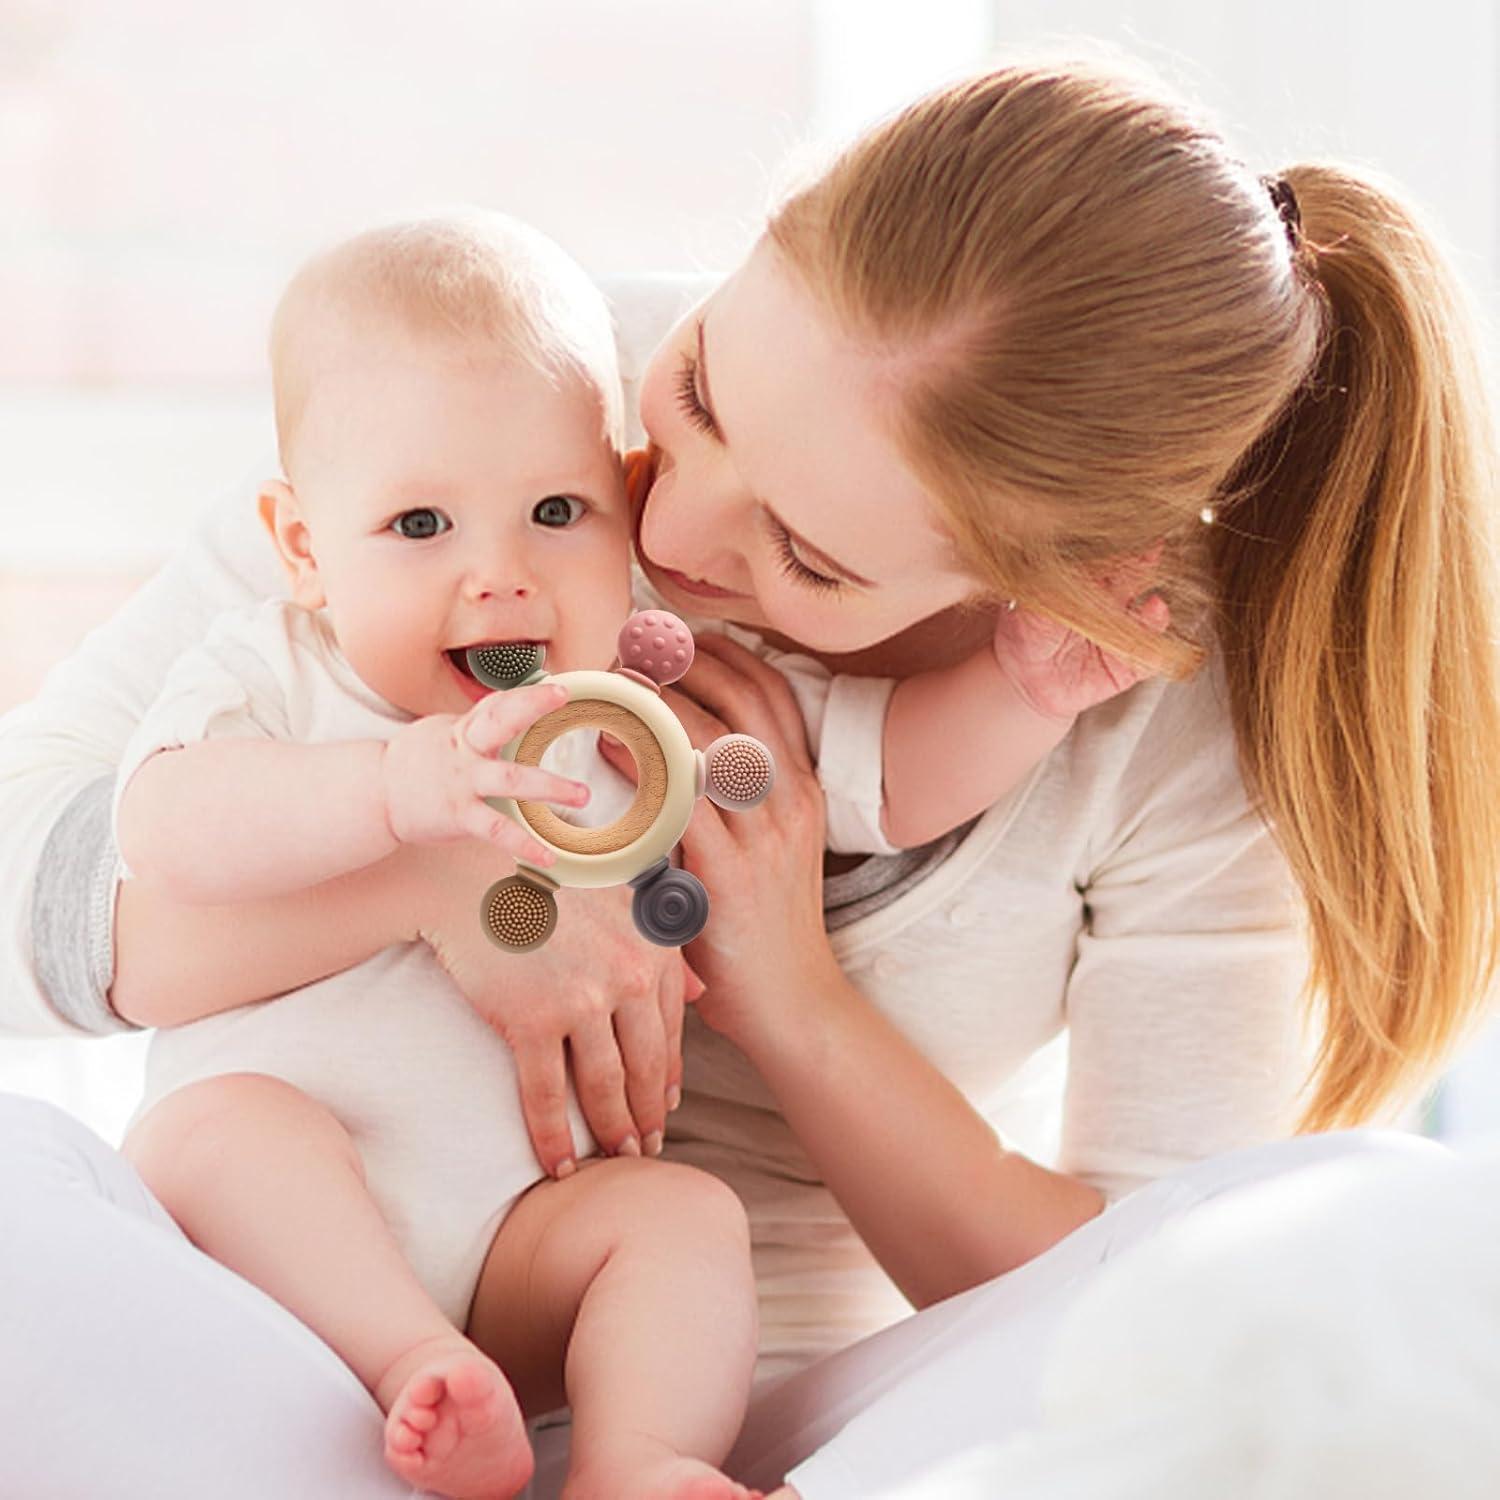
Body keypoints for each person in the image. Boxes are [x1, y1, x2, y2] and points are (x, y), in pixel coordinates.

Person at [2, 54, 1497, 1498]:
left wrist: (786, 988)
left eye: (812, 556)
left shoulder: (1146, 718)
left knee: (1370, 1246)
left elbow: (1150, 1293)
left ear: (1068, 584)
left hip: (760, 1388)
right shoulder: (510, 408)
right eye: (704, 392)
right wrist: (440, 881)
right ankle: (412, 1378)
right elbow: (54, 879)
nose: (672, 535)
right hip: (297, 1326)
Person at [108, 211, 770, 1500]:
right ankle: (413, 1363)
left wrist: (1023, 699)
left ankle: (635, 1461)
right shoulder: (277, 673)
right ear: (305, 547)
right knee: (214, 1131)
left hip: (516, 1247)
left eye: (555, 512)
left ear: (624, 515)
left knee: (682, 1220)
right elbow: (161, 828)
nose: (502, 577)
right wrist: (384, 796)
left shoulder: (615, 707)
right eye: (421, 525)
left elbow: (872, 781)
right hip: (273, 1242)